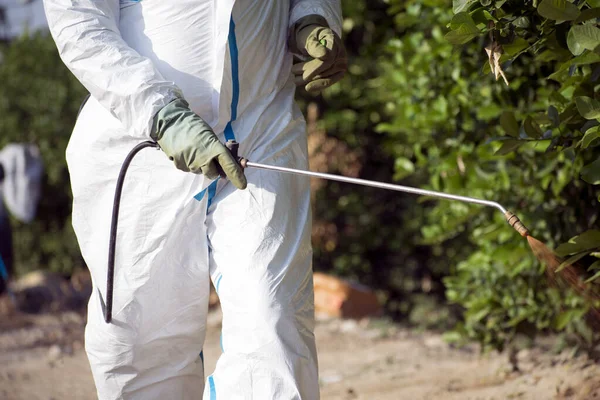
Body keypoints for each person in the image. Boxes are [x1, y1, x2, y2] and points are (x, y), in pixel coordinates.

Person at [42, 1, 347, 399]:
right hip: (141, 143)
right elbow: (79, 21)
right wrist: (159, 112)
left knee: (273, 320)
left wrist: (312, 17)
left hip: (261, 131)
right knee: (143, 344)